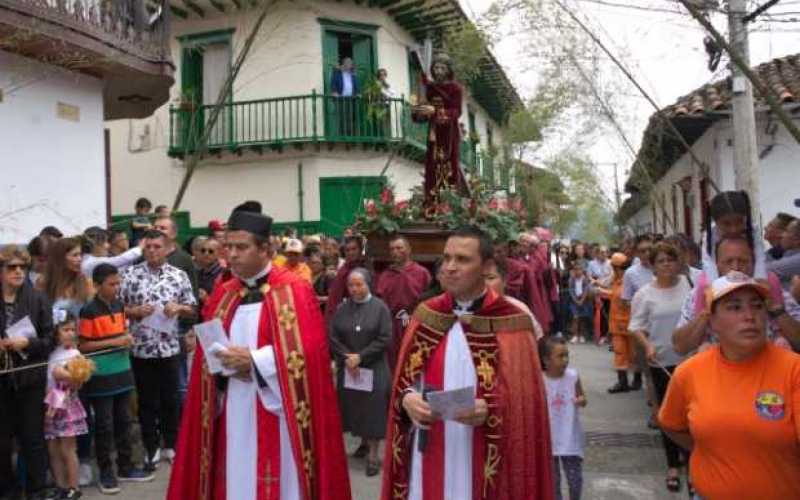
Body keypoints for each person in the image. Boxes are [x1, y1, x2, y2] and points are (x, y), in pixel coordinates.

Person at [167, 209, 351, 500]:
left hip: (280, 412)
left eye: (242, 247)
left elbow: (310, 354)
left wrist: (255, 362)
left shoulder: (295, 290)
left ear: (266, 249)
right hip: (233, 409)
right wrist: (219, 363)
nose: (233, 255)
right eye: (229, 247)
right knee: (235, 480)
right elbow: (208, 354)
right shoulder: (224, 293)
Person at [381, 226, 554, 500]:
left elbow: (527, 403)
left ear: (486, 267)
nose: (450, 267)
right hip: (430, 448)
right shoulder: (425, 315)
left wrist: (493, 407)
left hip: (485, 452)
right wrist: (407, 399)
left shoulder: (513, 321)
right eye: (447, 258)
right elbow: (406, 381)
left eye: (462, 259)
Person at [658, 271, 800, 500]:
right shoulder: (690, 372)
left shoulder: (793, 370)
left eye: (757, 306)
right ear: (712, 321)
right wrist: (713, 449)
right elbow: (671, 424)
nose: (749, 316)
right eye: (735, 308)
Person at [120, 230, 197, 471]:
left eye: (156, 246)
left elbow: (192, 308)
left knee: (171, 398)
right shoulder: (131, 274)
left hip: (169, 347)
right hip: (141, 348)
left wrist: (179, 308)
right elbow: (118, 307)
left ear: (167, 249)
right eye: (148, 247)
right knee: (146, 400)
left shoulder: (179, 275)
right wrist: (133, 312)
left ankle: (171, 444)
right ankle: (150, 447)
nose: (152, 250)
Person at [79, 264, 152, 494]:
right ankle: (106, 472)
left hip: (123, 372)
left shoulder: (120, 305)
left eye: (118, 283)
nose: (117, 287)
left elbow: (119, 335)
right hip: (101, 376)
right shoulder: (88, 310)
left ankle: (126, 466)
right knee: (104, 426)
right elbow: (84, 345)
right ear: (97, 285)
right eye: (112, 284)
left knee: (125, 422)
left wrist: (126, 339)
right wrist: (115, 342)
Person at [627, 242, 691, 493]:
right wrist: (647, 346)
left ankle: (693, 462)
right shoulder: (645, 293)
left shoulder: (690, 284)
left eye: (671, 259)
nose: (667, 264)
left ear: (678, 262)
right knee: (669, 416)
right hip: (662, 361)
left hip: (692, 359)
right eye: (661, 261)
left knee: (692, 413)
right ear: (653, 266)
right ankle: (673, 465)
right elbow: (635, 326)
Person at [673, 235, 800, 354]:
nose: (736, 267)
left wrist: (777, 310)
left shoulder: (775, 291)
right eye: (728, 261)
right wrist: (705, 312)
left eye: (743, 261)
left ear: (753, 263)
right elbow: (680, 347)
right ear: (717, 265)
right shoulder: (698, 295)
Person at [0, 245, 54, 500]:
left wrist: (27, 344)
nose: (18, 271)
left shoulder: (38, 299)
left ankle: (36, 491)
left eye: (23, 267)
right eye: (12, 267)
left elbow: (50, 340)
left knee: (33, 440)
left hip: (30, 379)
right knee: (2, 443)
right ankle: (8, 491)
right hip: (1, 383)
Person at [328, 268, 391, 477]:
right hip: (350, 368)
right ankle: (363, 443)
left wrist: (361, 356)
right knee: (355, 407)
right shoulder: (343, 308)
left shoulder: (380, 308)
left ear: (368, 284)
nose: (355, 289)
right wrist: (348, 357)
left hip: (373, 367)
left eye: (359, 284)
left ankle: (373, 454)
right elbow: (333, 335)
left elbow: (384, 338)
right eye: (351, 285)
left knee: (373, 410)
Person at [412, 52, 466, 205]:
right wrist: (419, 112)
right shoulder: (429, 87)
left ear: (448, 70)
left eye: (442, 68)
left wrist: (436, 112)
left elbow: (457, 111)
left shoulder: (456, 88)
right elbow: (424, 108)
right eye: (436, 68)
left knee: (449, 164)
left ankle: (449, 203)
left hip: (449, 133)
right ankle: (431, 202)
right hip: (433, 133)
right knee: (432, 165)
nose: (439, 71)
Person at [44, 315, 88, 500]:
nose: (70, 333)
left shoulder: (75, 355)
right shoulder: (52, 353)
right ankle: (60, 486)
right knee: (53, 448)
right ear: (56, 333)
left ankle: (73, 487)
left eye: (72, 330)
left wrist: (67, 376)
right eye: (65, 330)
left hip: (67, 407)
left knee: (67, 449)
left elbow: (79, 382)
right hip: (50, 408)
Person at [374, 235, 431, 370]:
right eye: (392, 249)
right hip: (392, 327)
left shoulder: (422, 273)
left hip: (414, 323)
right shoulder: (385, 275)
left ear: (409, 249)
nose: (395, 252)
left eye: (399, 248)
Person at [540, 337, 586, 500]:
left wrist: (581, 400)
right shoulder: (540, 379)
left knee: (575, 481)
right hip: (548, 438)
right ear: (546, 360)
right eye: (560, 356)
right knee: (553, 482)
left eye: (567, 355)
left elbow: (582, 397)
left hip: (570, 436)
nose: (565, 360)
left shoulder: (572, 376)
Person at [596, 253, 640, 393]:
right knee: (619, 353)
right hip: (618, 325)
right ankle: (623, 382)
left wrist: (602, 292)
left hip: (629, 325)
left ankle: (636, 381)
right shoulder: (618, 279)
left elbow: (620, 297)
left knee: (633, 354)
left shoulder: (628, 280)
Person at [701, 190, 766, 280]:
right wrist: (715, 286)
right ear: (716, 222)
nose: (734, 229)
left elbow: (760, 257)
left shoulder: (753, 230)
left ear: (746, 217)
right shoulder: (711, 235)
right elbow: (709, 262)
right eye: (726, 224)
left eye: (739, 222)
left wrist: (760, 279)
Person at [483, 258, 543, 339]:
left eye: (490, 278)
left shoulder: (519, 309)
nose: (484, 284)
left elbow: (537, 341)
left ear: (504, 281)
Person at [324, 235, 368, 324]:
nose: (351, 253)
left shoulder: (367, 268)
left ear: (360, 250)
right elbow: (334, 299)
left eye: (354, 249)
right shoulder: (343, 270)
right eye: (347, 250)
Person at [767, 218, 800, 290]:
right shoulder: (789, 254)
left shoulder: (797, 260)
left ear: (797, 240)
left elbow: (765, 270)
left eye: (787, 231)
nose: (782, 235)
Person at [330, 57, 359, 137]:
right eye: (347, 63)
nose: (348, 64)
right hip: (340, 99)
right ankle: (341, 135)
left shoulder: (353, 74)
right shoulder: (337, 73)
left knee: (349, 118)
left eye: (350, 63)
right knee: (341, 118)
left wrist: (357, 93)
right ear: (343, 64)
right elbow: (333, 84)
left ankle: (349, 136)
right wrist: (334, 92)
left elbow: (356, 86)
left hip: (350, 99)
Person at [568, 262, 592, 344]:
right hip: (574, 301)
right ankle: (575, 335)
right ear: (574, 271)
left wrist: (582, 300)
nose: (578, 271)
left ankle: (581, 335)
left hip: (584, 300)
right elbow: (571, 291)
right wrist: (576, 301)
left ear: (582, 270)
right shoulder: (571, 279)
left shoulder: (585, 279)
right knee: (575, 318)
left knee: (582, 319)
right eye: (576, 269)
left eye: (579, 269)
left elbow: (586, 290)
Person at [195, 237, 223, 303]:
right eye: (203, 250)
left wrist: (207, 298)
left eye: (211, 251)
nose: (206, 253)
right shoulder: (198, 273)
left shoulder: (223, 275)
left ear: (219, 254)